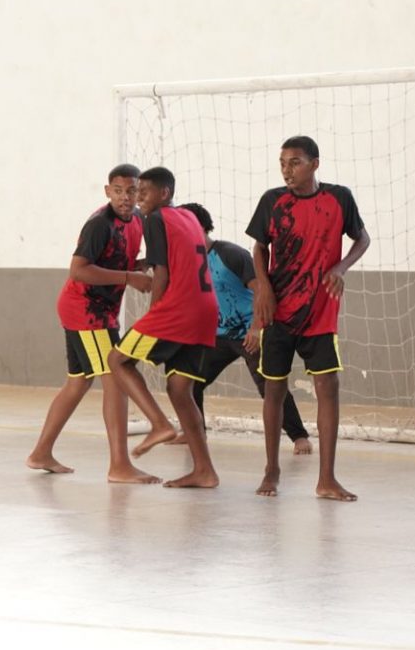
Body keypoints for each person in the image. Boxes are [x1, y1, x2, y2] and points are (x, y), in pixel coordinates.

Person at [25, 164, 176, 481]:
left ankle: (41, 453)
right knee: (117, 379)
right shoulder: (99, 225)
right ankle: (120, 465)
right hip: (86, 311)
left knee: (78, 382)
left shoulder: (138, 220)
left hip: (96, 311)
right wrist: (129, 277)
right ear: (108, 192)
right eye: (118, 191)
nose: (125, 197)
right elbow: (79, 270)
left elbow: (116, 259)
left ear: (140, 192)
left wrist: (141, 265)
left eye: (131, 191)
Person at [247, 136, 370, 500]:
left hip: (320, 312)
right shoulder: (272, 201)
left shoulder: (339, 198)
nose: (287, 170)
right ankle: (271, 469)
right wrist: (263, 288)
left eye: (295, 162)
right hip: (279, 311)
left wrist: (341, 268)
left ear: (314, 164)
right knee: (274, 388)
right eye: (283, 163)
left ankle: (327, 478)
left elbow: (362, 239)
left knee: (328, 387)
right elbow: (259, 247)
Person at [110, 167, 220, 489]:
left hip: (178, 310)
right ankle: (205, 471)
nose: (138, 199)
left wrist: (154, 312)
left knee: (117, 360)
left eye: (143, 192)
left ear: (164, 193)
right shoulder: (188, 217)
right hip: (206, 310)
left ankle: (159, 423)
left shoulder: (154, 219)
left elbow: (163, 272)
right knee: (180, 389)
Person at [177, 202, 312, 454]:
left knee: (270, 386)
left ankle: (299, 437)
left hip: (251, 332)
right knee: (189, 380)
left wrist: (256, 328)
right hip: (218, 336)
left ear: (200, 227)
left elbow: (261, 289)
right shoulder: (188, 260)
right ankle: (194, 432)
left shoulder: (230, 254)